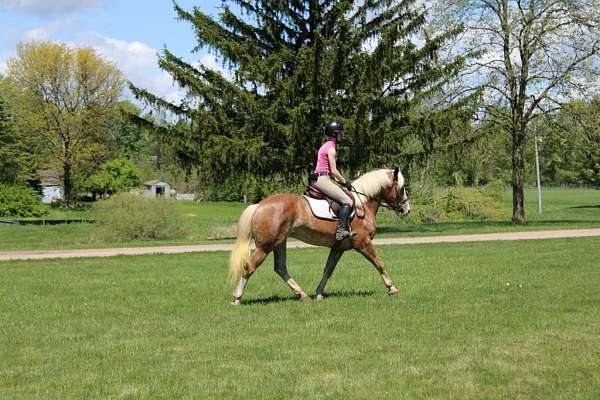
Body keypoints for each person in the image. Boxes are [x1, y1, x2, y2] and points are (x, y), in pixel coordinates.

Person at [313, 121, 354, 240]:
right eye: (341, 133)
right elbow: (334, 171)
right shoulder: (331, 148)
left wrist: (340, 182)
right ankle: (341, 230)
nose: (342, 135)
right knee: (348, 201)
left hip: (321, 178)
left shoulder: (324, 145)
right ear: (335, 134)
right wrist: (345, 182)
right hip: (324, 179)